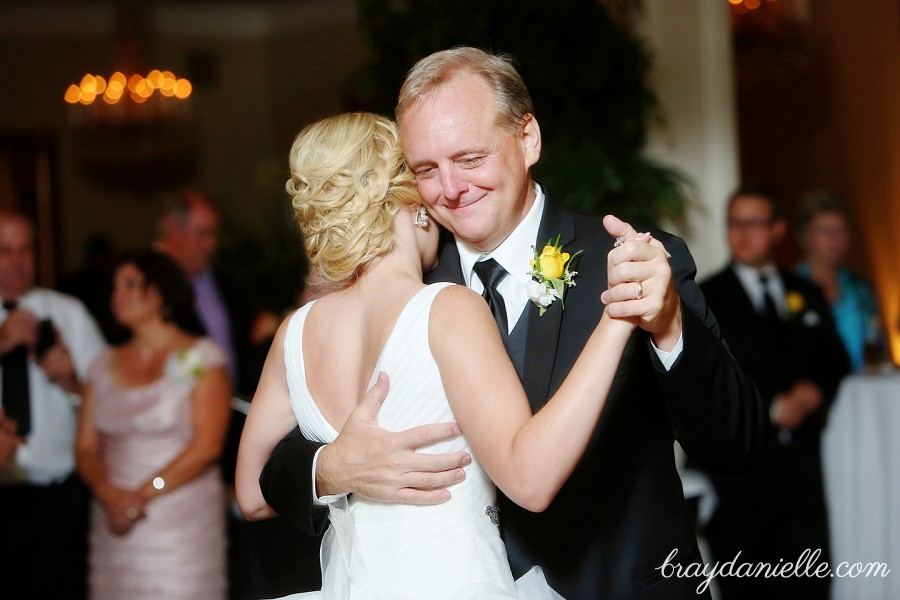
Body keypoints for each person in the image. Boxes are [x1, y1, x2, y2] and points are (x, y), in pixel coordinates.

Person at [259, 47, 767, 599]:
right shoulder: (409, 296)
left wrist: (669, 327)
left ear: (528, 140)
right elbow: (274, 460)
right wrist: (328, 468)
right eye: (426, 169)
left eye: (470, 158)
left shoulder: (626, 259)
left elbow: (737, 443)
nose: (450, 188)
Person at [237, 111, 650, 599]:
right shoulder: (446, 308)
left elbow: (249, 493)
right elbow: (530, 479)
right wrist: (617, 316)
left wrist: (324, 466)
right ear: (413, 203)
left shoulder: (294, 333)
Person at [697, 185, 850, 599]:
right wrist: (768, 404)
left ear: (778, 229)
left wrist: (814, 389)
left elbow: (834, 357)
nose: (743, 233)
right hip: (741, 478)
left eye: (755, 223)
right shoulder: (705, 296)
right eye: (735, 223)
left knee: (810, 586)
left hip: (802, 473)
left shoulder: (804, 290)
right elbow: (707, 377)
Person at [74, 249, 232, 600]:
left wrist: (141, 495)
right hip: (113, 517)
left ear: (161, 289)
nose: (119, 295)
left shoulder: (199, 357)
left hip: (179, 522)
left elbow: (208, 446)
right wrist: (108, 493)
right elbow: (85, 447)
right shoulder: (102, 365)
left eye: (131, 284)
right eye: (114, 287)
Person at [0, 208, 107, 599]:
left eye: (25, 250)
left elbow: (111, 405)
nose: (16, 262)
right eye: (4, 251)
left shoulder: (68, 312)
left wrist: (73, 382)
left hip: (55, 500)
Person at [793, 191, 884, 370]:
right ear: (804, 236)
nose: (835, 239)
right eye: (825, 230)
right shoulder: (788, 288)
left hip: (860, 390)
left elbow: (877, 346)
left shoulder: (859, 288)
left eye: (841, 229)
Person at [155, 189, 238, 383]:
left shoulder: (223, 279)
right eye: (203, 234)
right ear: (171, 228)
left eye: (214, 234)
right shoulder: (145, 284)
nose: (211, 244)